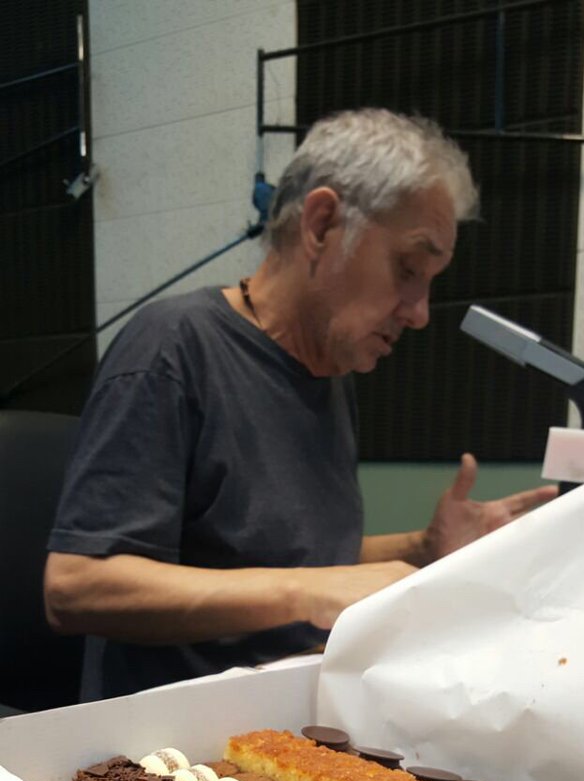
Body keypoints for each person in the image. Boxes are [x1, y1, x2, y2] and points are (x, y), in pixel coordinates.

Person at [44, 108, 556, 702]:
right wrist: (308, 595)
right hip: (173, 737)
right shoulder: (171, 349)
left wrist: (423, 548)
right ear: (321, 224)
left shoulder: (331, 374)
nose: (420, 312)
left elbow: (285, 557)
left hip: (290, 710)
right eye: (408, 269)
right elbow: (76, 584)